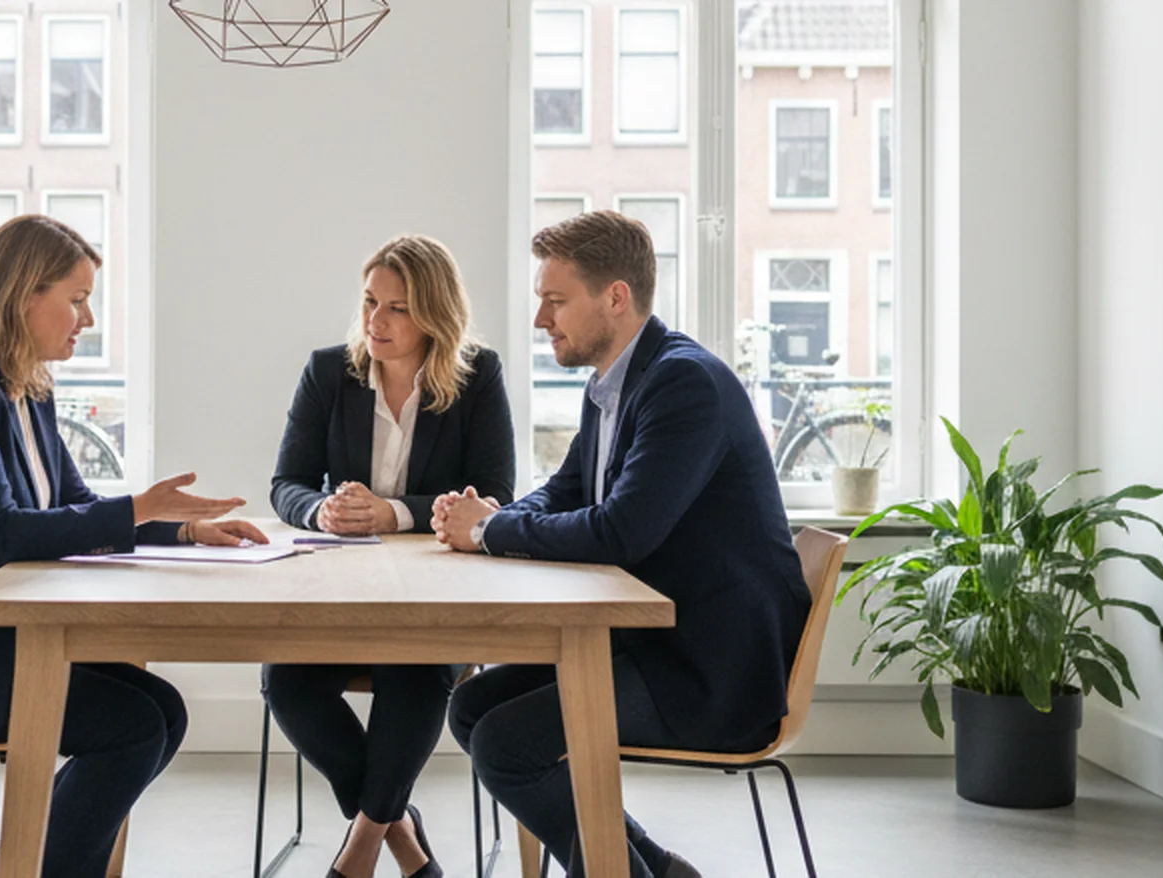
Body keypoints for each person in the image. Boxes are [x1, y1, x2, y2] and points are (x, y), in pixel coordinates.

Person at [0, 214, 268, 878]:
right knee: (136, 727)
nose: (86, 318)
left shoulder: (26, 390)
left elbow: (77, 512)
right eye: (77, 298)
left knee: (161, 712)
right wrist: (139, 509)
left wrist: (181, 530)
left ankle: (16, 870)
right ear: (23, 293)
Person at [432, 211, 807, 878]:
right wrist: (492, 515)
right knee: (471, 707)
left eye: (555, 301)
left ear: (615, 297)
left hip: (707, 669)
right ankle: (654, 869)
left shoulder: (681, 385)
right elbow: (567, 488)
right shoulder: (613, 382)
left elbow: (621, 530)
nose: (542, 320)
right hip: (652, 645)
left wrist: (488, 531)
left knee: (505, 745)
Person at [266, 234, 515, 878]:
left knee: (415, 673)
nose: (376, 321)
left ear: (434, 314)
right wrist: (318, 510)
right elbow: (285, 482)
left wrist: (394, 512)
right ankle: (400, 834)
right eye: (370, 301)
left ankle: (359, 850)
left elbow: (498, 496)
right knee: (286, 682)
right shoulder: (330, 371)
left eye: (397, 308)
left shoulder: (477, 376)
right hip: (342, 591)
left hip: (438, 596)